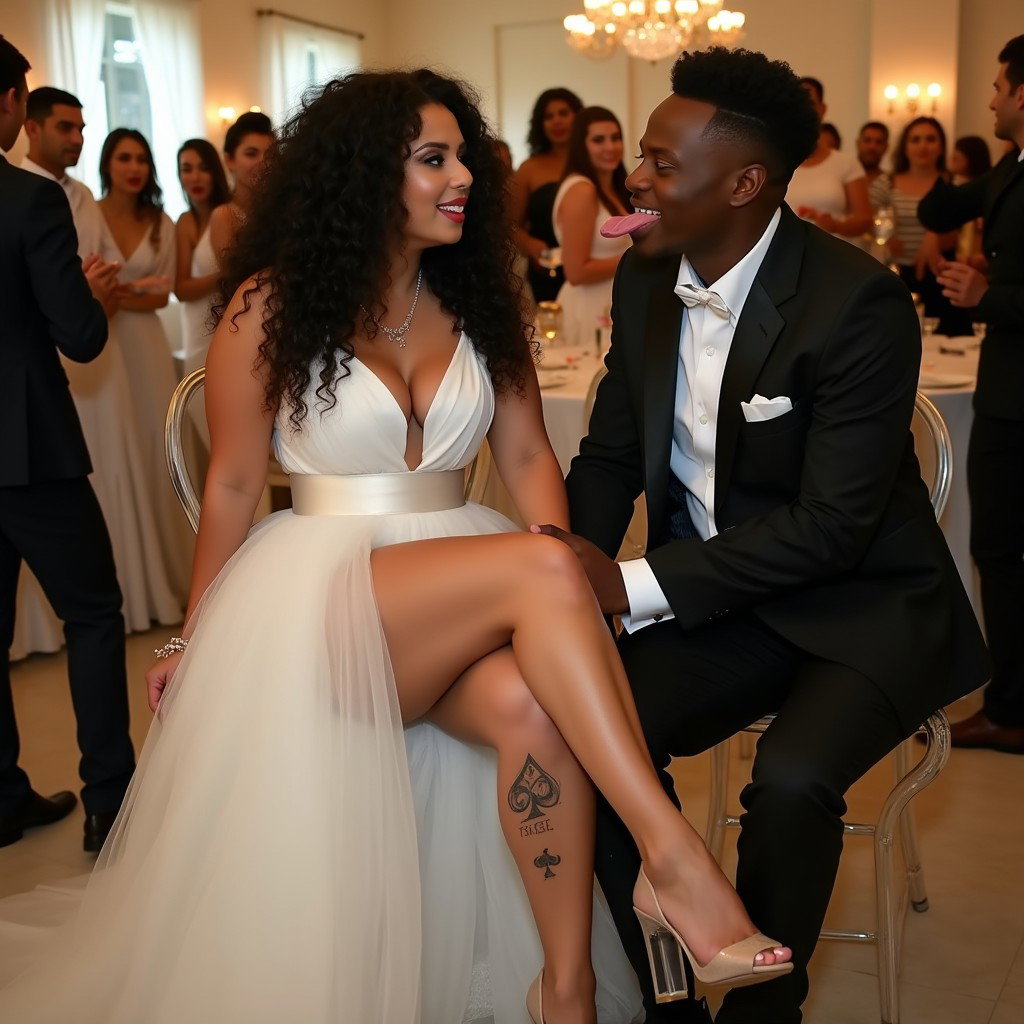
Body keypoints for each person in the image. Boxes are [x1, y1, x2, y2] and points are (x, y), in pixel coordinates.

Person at [0, 69, 793, 1024]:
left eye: (462, 156)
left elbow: (528, 455)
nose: (464, 176)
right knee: (548, 563)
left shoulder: (482, 301)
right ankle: (673, 856)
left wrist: (568, 610)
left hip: (464, 593)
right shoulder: (268, 306)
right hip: (319, 598)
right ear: (368, 176)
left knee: (533, 712)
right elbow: (235, 485)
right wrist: (191, 636)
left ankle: (566, 991)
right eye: (433, 159)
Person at [541, 46, 990, 1024]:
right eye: (640, 156)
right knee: (580, 733)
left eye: (661, 162)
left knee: (788, 780)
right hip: (727, 605)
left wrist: (631, 585)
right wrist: (561, 573)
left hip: (862, 603)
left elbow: (832, 526)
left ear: (744, 183)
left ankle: (762, 1012)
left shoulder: (855, 301)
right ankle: (666, 1002)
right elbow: (610, 457)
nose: (636, 179)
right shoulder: (643, 279)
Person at [0, 37, 135, 855]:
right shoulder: (30, 200)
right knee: (91, 613)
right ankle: (109, 802)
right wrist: (93, 296)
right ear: (10, 102)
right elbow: (79, 338)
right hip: (29, 449)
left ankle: (2, 798)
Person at [19, 88, 183, 644]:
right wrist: (86, 295)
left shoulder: (82, 196)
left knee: (122, 461)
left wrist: (96, 295)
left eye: (82, 129)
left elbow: (102, 284)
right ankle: (44, 631)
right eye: (66, 127)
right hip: (48, 364)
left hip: (100, 345)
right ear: (29, 123)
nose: (77, 138)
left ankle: (138, 589)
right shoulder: (20, 190)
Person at [918, 34, 1024, 754]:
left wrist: (991, 297)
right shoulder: (1010, 166)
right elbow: (938, 212)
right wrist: (931, 161)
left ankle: (1011, 712)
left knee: (1005, 551)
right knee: (1001, 551)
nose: (989, 100)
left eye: (996, 86)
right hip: (1008, 388)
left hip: (1019, 402)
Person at [98, 127, 192, 603]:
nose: (134, 168)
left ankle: (163, 580)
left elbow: (162, 294)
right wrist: (130, 292)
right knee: (115, 451)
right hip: (105, 345)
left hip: (147, 345)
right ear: (107, 164)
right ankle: (123, 581)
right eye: (124, 158)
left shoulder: (161, 221)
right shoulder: (89, 212)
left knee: (156, 449)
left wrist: (117, 293)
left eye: (141, 159)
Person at [870, 117, 971, 335]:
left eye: (930, 139)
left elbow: (965, 233)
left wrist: (935, 235)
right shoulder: (886, 182)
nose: (923, 146)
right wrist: (885, 239)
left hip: (943, 274)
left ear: (941, 146)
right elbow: (868, 222)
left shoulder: (956, 183)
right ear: (904, 147)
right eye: (915, 140)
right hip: (897, 273)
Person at [551, 106, 631, 349]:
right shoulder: (582, 190)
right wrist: (637, 258)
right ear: (581, 145)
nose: (610, 147)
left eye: (615, 138)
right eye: (598, 140)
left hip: (611, 299)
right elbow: (576, 272)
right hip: (589, 306)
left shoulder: (613, 189)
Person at [511, 87, 583, 303]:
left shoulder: (594, 163)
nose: (556, 121)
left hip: (592, 265)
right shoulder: (529, 169)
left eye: (563, 113)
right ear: (540, 125)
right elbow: (510, 225)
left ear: (578, 117)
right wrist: (529, 244)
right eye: (548, 117)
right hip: (547, 270)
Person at [787, 76, 872, 243]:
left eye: (810, 102)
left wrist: (835, 225)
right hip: (785, 252)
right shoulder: (777, 162)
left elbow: (865, 220)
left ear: (822, 108)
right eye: (797, 103)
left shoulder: (846, 164)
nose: (803, 109)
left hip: (831, 251)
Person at [174, 137, 230, 377]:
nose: (195, 177)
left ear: (215, 171)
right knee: (195, 388)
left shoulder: (229, 215)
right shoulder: (185, 221)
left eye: (203, 168)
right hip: (195, 323)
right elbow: (181, 289)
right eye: (187, 169)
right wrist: (223, 274)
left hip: (225, 319)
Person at [208, 110, 274, 267]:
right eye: (251, 154)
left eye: (270, 154)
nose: (263, 162)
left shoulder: (279, 208)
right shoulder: (224, 215)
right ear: (229, 160)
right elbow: (231, 275)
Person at [856, 120, 889, 187]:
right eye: (867, 140)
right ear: (858, 143)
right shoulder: (842, 177)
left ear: (886, 147)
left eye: (879, 142)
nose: (872, 147)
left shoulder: (891, 183)